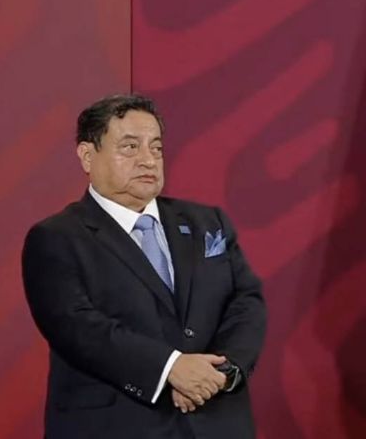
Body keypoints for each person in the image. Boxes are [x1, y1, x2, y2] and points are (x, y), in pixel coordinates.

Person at [21, 94, 266, 438]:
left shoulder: (207, 222)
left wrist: (222, 370)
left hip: (216, 420)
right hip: (116, 424)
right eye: (130, 147)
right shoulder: (57, 237)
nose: (148, 160)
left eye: (156, 148)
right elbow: (77, 327)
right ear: (87, 156)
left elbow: (246, 301)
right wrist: (170, 369)